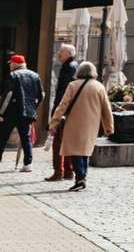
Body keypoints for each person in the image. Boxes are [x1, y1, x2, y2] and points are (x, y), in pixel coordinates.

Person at [49, 61, 112, 193]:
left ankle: (80, 179)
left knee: (76, 151)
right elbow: (107, 109)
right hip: (92, 124)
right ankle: (82, 177)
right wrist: (108, 126)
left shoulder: (73, 85)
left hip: (74, 123)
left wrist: (54, 121)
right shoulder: (99, 86)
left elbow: (63, 105)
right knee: (85, 151)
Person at [1, 53, 42, 172]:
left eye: (10, 64)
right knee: (26, 137)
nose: (9, 66)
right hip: (27, 112)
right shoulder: (35, 75)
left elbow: (8, 96)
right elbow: (41, 95)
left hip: (11, 112)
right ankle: (28, 164)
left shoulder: (13, 75)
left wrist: (1, 113)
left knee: (2, 136)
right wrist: (33, 107)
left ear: (15, 64)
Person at [44, 43, 76, 182]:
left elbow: (62, 93)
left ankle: (58, 172)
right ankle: (69, 171)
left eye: (61, 52)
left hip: (64, 111)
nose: (58, 54)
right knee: (67, 141)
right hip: (72, 111)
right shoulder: (75, 65)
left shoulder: (68, 68)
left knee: (58, 142)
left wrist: (55, 113)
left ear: (68, 53)